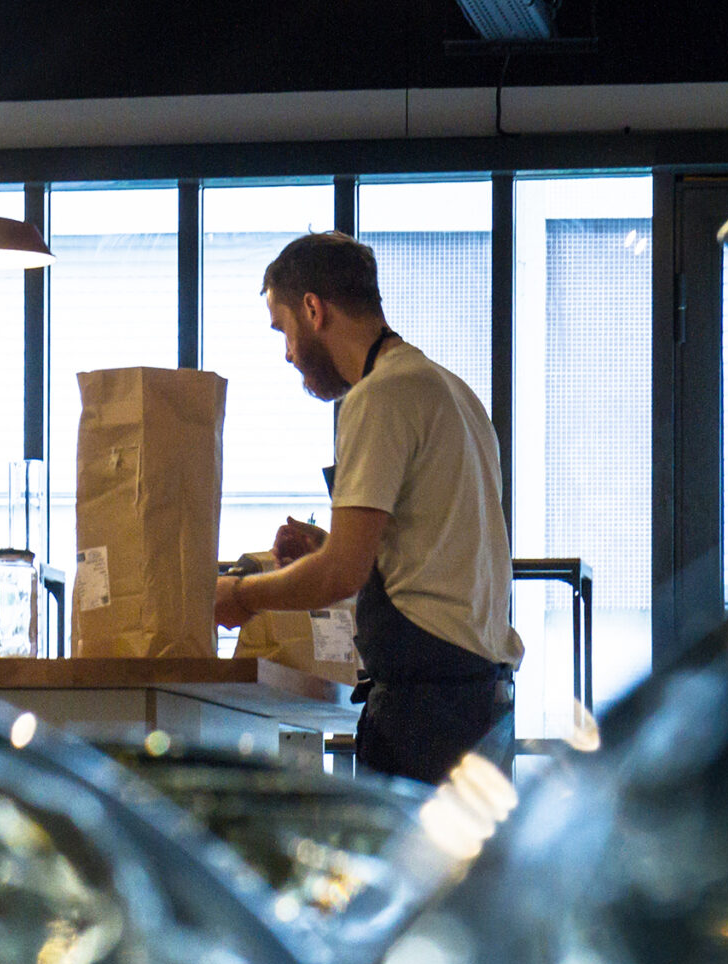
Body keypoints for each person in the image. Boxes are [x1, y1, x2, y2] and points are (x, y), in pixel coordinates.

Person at [214, 230, 524, 784]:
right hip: (484, 706)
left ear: (313, 309)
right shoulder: (451, 392)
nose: (287, 354)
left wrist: (239, 597)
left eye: (283, 330)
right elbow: (433, 556)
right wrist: (325, 545)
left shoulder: (377, 397)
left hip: (426, 719)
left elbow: (339, 575)